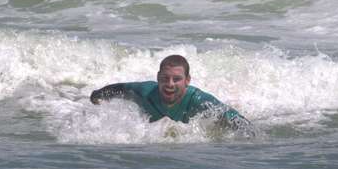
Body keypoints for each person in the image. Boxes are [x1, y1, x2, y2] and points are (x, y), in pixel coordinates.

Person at [90, 55, 252, 132]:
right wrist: (97, 96)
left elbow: (231, 116)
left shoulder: (198, 100)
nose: (170, 84)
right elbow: (121, 89)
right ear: (158, 77)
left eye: (177, 79)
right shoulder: (146, 92)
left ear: (187, 81)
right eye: (165, 78)